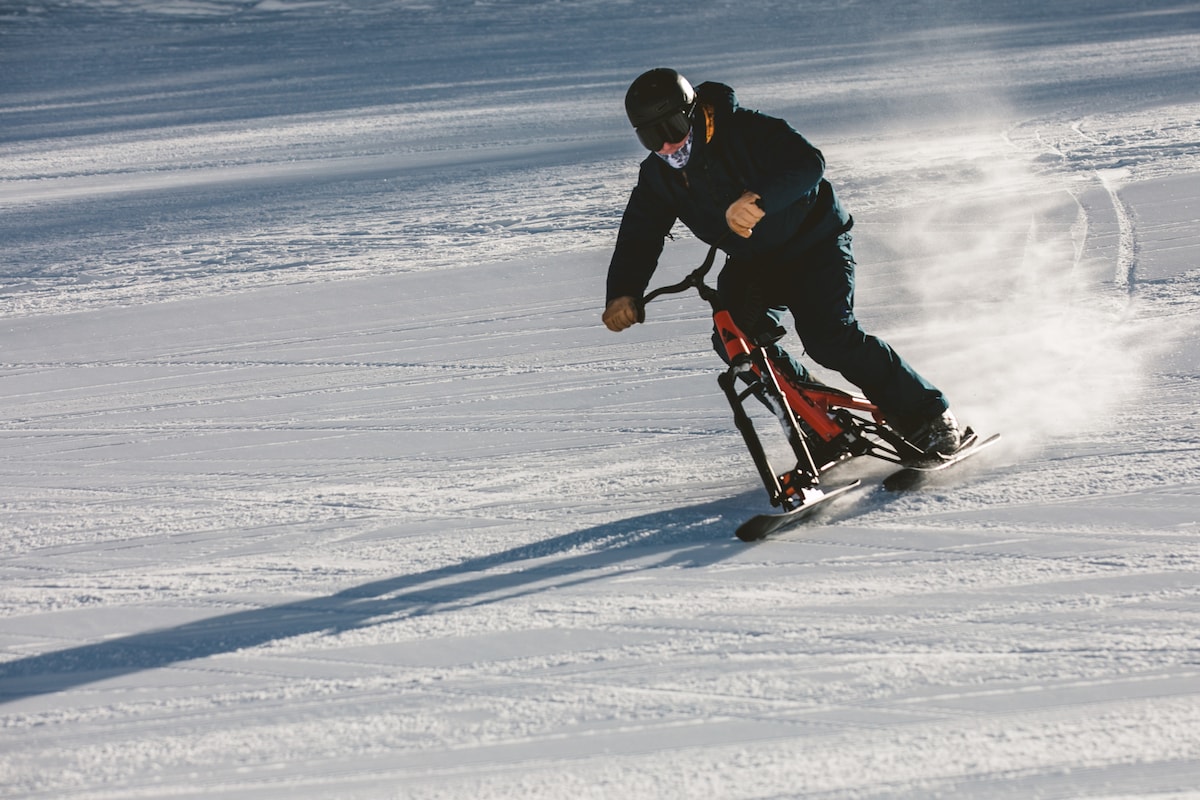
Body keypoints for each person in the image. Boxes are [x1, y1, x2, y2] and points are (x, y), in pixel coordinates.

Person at [602, 68, 960, 457]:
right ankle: (818, 422)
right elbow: (640, 235)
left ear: (690, 113)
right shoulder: (659, 177)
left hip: (815, 242)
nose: (668, 146)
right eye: (652, 137)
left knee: (830, 338)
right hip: (755, 261)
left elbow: (808, 162)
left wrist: (759, 199)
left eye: (671, 128)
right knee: (736, 342)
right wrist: (623, 291)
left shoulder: (744, 130)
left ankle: (929, 415)